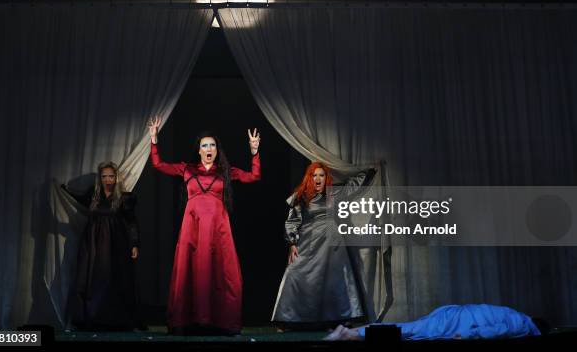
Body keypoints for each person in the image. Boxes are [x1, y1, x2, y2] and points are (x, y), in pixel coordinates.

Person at [147, 116, 261, 335]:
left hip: (219, 228)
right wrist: (154, 140)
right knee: (191, 271)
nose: (209, 148)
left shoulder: (225, 171)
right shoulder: (187, 169)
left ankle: (221, 321)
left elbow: (254, 176)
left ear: (217, 150)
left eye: (212, 145)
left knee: (221, 272)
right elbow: (158, 164)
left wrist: (254, 152)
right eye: (204, 145)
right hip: (193, 227)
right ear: (199, 150)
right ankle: (189, 319)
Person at [271, 162, 376, 330]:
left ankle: (340, 319)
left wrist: (371, 169)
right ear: (309, 177)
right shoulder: (301, 196)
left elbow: (353, 185)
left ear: (326, 177)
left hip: (333, 243)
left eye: (322, 175)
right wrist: (292, 242)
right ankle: (287, 318)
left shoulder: (333, 194)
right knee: (295, 274)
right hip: (308, 242)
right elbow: (291, 221)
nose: (318, 178)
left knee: (335, 280)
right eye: (315, 175)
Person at [61, 161, 140, 330]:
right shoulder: (94, 196)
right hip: (93, 242)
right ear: (100, 178)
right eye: (104, 176)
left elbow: (131, 222)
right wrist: (62, 191)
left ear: (116, 177)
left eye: (111, 176)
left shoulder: (123, 198)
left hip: (115, 244)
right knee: (91, 277)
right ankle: (90, 318)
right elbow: (78, 199)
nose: (108, 180)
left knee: (113, 278)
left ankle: (115, 319)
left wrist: (134, 244)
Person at [323, 304, 543, 340]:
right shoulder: (524, 324)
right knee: (405, 331)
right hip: (455, 323)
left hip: (453, 315)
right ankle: (351, 334)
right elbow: (497, 330)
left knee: (407, 330)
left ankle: (350, 332)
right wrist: (467, 336)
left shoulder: (516, 313)